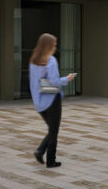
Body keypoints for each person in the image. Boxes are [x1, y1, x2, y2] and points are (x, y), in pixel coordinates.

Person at [29, 33, 76, 168]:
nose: (55, 47)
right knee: (54, 132)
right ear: (48, 46)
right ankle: (50, 160)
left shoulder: (33, 61)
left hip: (40, 102)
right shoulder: (51, 60)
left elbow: (34, 83)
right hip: (52, 100)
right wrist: (67, 79)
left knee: (52, 130)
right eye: (54, 44)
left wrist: (36, 100)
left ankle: (41, 151)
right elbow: (54, 82)